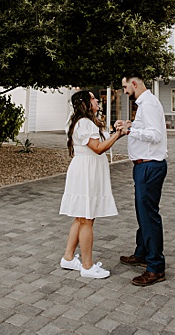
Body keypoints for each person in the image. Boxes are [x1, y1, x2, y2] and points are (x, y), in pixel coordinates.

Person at [59, 90, 125, 279]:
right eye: (93, 98)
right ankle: (87, 266)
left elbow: (99, 141)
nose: (97, 100)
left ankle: (68, 257)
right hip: (86, 171)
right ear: (86, 103)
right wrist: (118, 134)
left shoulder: (83, 121)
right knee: (87, 218)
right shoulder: (85, 123)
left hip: (86, 169)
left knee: (82, 216)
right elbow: (97, 148)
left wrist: (114, 131)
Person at [116, 73, 168, 287]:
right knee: (143, 213)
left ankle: (155, 267)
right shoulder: (145, 103)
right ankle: (143, 253)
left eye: (125, 86)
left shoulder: (148, 105)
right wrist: (132, 126)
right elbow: (147, 130)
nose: (124, 90)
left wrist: (130, 130)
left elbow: (155, 135)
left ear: (134, 83)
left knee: (149, 215)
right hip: (143, 166)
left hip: (149, 166)